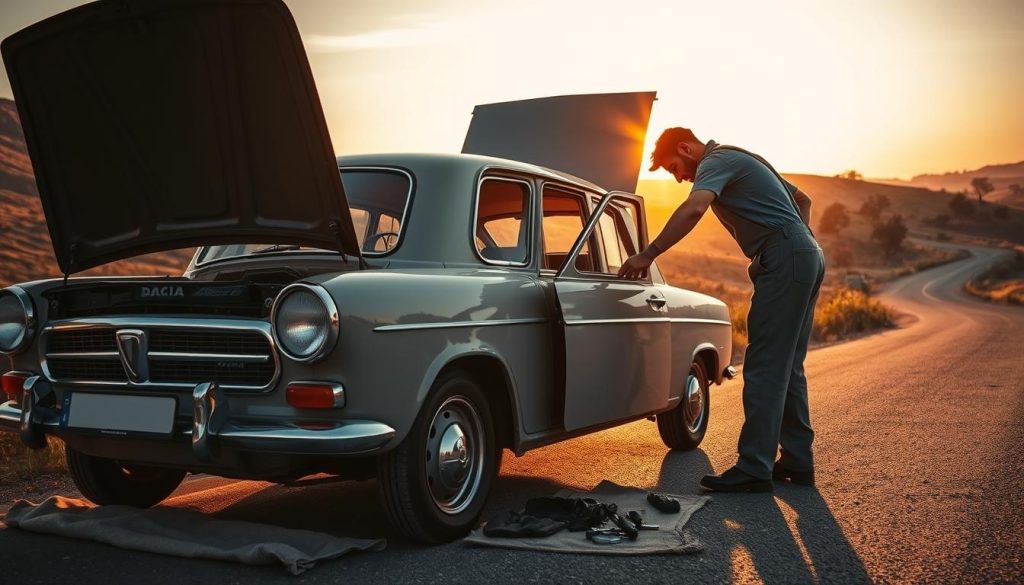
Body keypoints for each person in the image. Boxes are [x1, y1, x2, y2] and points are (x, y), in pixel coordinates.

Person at [618, 127, 825, 492]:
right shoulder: (743, 156)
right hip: (805, 253)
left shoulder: (715, 161)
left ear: (686, 148)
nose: (680, 178)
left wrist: (648, 254)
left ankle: (754, 468)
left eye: (675, 168)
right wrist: (801, 242)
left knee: (763, 365)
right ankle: (797, 460)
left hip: (788, 255)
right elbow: (803, 200)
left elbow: (695, 208)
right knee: (788, 365)